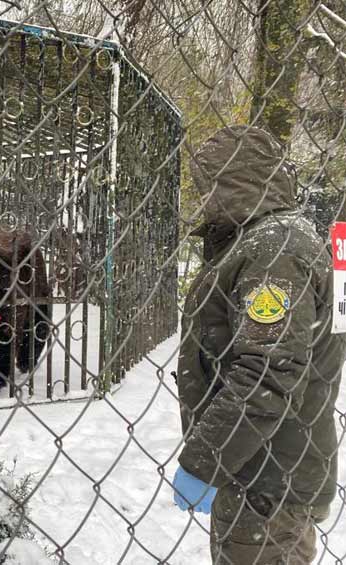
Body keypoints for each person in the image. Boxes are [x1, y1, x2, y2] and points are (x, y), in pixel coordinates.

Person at [172, 125, 345, 564]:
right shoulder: (266, 241)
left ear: (230, 179)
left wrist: (206, 460)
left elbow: (268, 371)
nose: (201, 196)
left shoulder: (274, 251)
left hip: (266, 485)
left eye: (206, 181)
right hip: (261, 469)